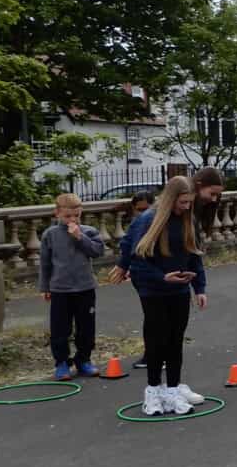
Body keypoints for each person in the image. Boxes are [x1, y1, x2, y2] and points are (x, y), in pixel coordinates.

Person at [119, 176, 208, 415]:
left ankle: (172, 390)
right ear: (170, 199)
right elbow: (137, 259)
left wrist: (199, 287)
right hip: (153, 289)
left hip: (179, 288)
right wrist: (162, 277)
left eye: (189, 202)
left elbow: (194, 255)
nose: (186, 207)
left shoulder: (188, 220)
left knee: (175, 339)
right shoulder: (149, 220)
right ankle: (152, 390)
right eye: (182, 202)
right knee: (157, 338)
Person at [38, 192, 105, 380]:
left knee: (86, 327)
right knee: (60, 329)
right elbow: (45, 263)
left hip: (85, 287)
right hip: (60, 289)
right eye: (68, 216)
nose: (72, 219)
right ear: (57, 213)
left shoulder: (89, 231)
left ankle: (83, 359)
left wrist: (80, 237)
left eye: (76, 215)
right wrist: (44, 287)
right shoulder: (50, 235)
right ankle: (61, 362)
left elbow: (97, 251)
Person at [108, 191, 155, 367]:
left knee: (160, 318)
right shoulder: (137, 224)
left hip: (160, 275)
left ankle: (159, 354)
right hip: (143, 276)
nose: (143, 213)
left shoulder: (158, 221)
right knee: (152, 316)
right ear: (133, 209)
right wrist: (124, 266)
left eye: (147, 209)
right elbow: (128, 246)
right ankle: (152, 354)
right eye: (139, 210)